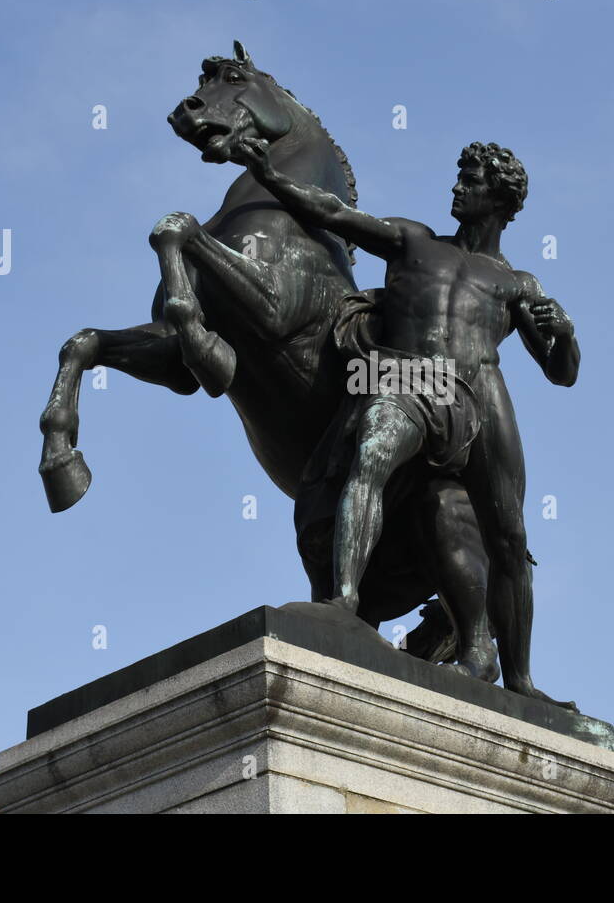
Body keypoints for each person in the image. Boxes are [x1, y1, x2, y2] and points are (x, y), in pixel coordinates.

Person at [233, 137, 580, 706]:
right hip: (414, 377)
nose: (457, 186)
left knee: (510, 536)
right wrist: (267, 171)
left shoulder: (518, 284)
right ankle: (342, 604)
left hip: (484, 395)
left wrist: (563, 333)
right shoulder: (413, 241)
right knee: (371, 452)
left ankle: (517, 679)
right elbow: (330, 212)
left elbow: (562, 372)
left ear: (499, 198)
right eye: (459, 175)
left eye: (469, 178)